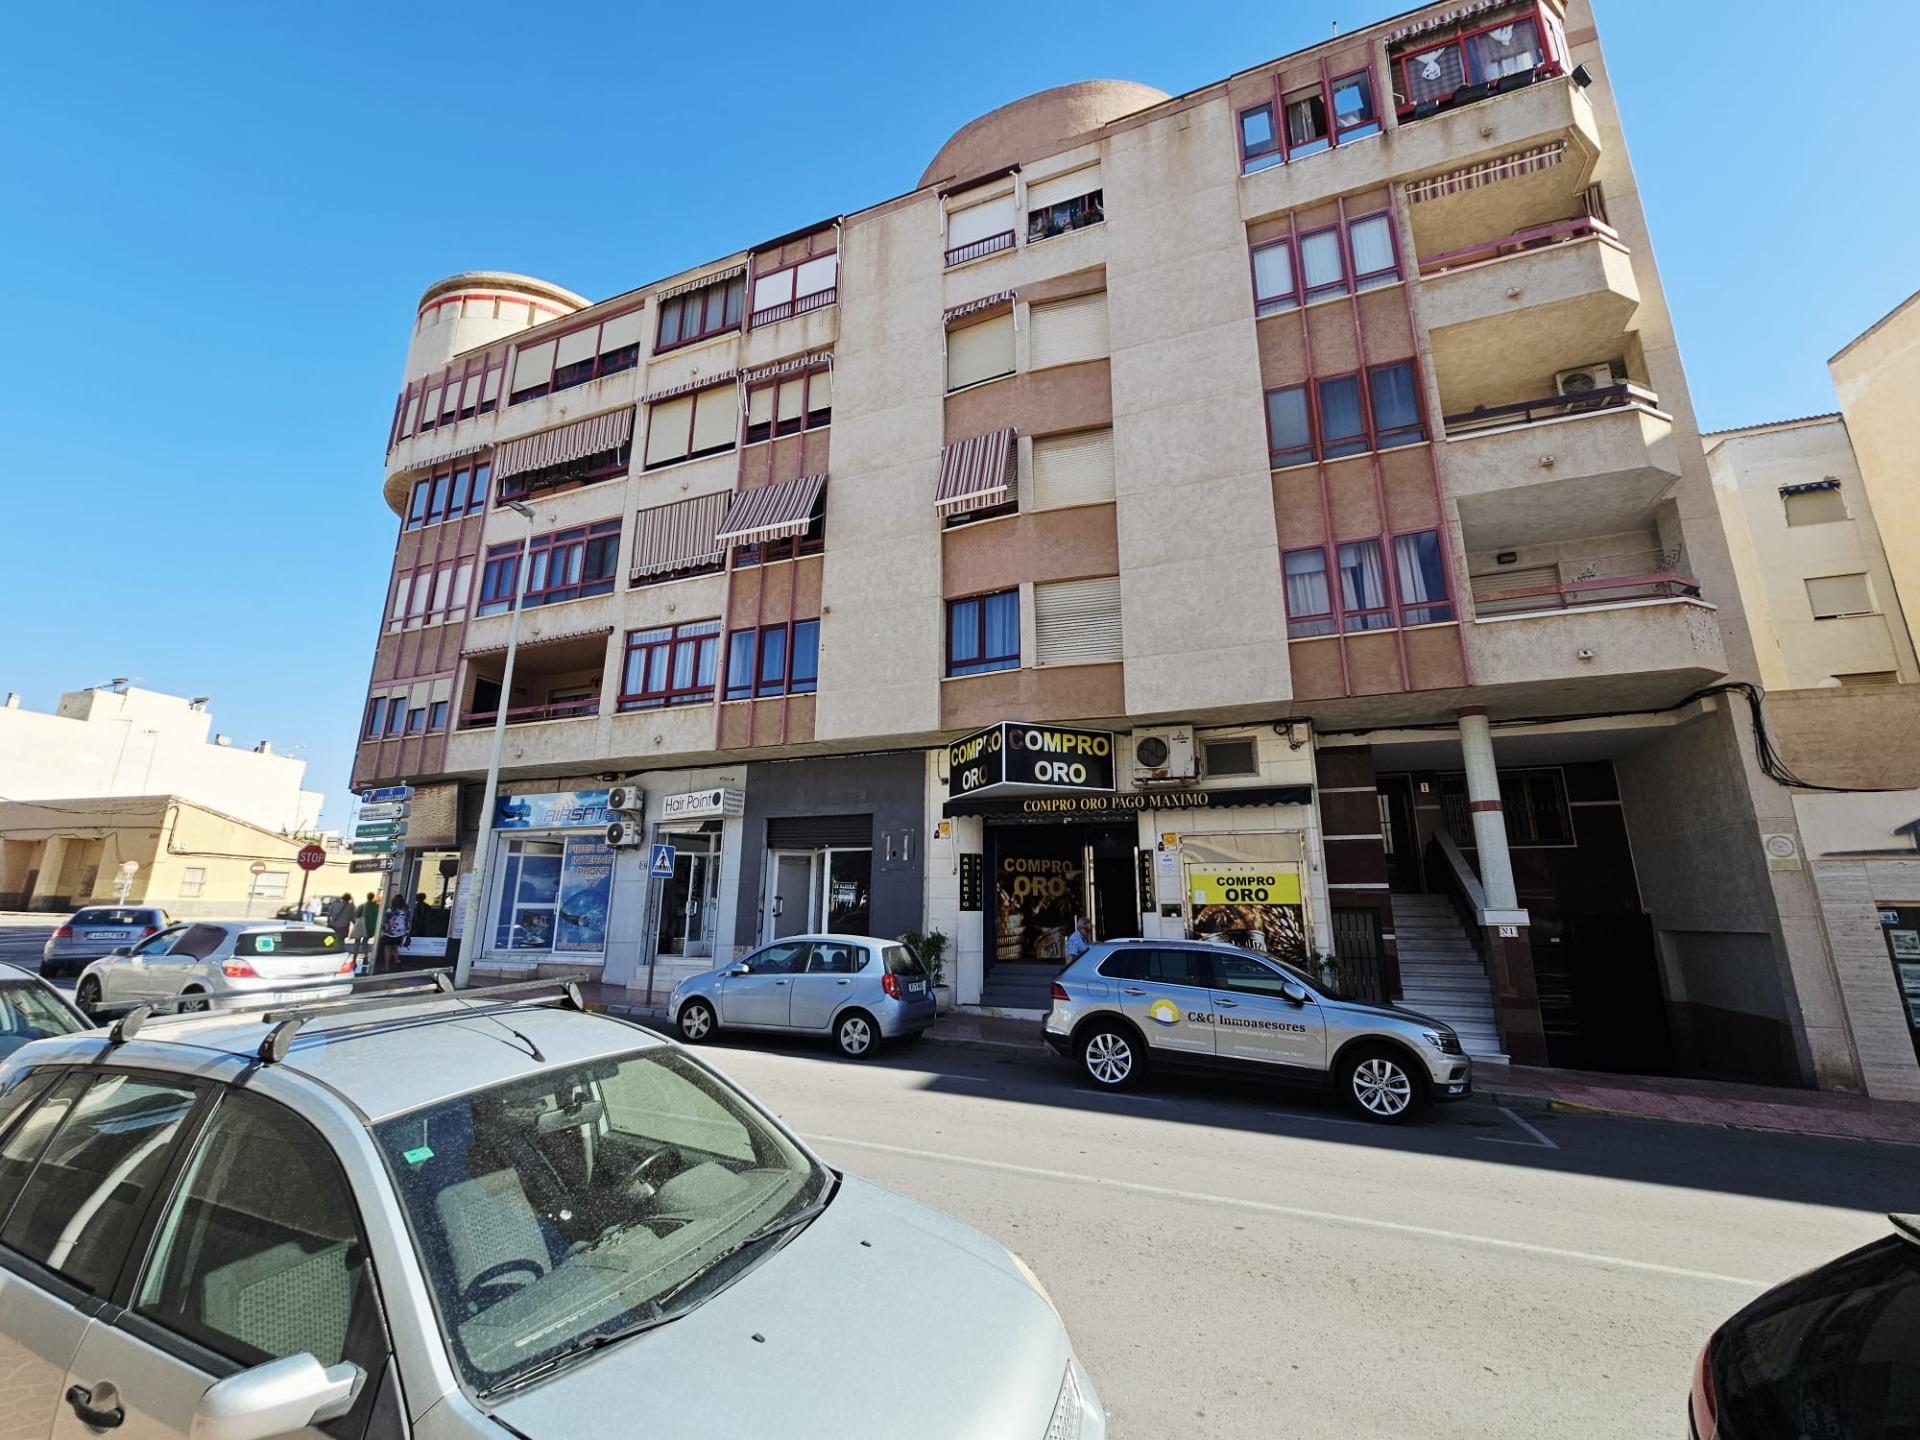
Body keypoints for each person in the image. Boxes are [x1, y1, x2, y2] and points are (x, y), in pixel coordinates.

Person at [352, 891, 380, 972]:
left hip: (362, 927)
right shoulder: (377, 907)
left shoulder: (362, 906)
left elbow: (356, 914)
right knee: (365, 942)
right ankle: (365, 956)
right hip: (371, 928)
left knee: (357, 942)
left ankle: (354, 959)